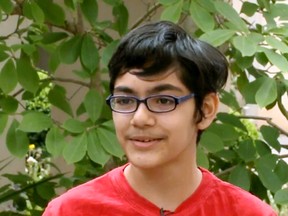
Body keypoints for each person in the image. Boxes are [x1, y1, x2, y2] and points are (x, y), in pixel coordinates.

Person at [43, 21, 277, 216]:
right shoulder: (71, 211)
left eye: (163, 101)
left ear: (205, 110)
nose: (140, 118)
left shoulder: (247, 212)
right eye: (125, 101)